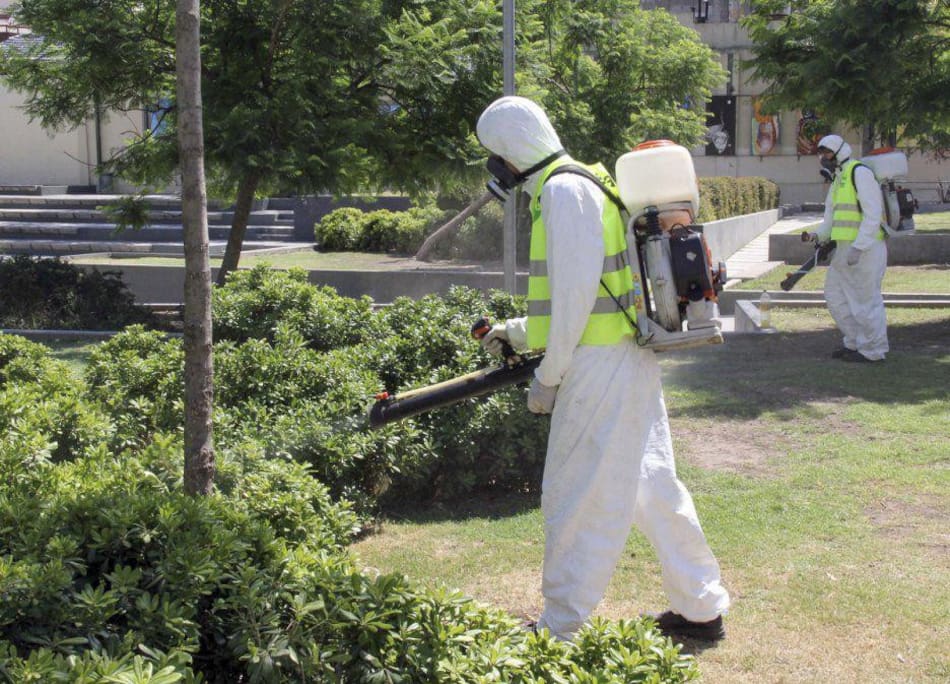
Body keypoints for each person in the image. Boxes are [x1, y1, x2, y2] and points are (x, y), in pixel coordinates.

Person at [475, 95, 730, 643]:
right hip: (626, 357)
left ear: (509, 152)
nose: (495, 167)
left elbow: (572, 300)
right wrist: (519, 332)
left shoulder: (563, 192)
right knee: (653, 486)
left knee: (574, 496)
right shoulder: (587, 181)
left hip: (598, 368)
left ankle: (559, 628)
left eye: (493, 154)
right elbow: (592, 292)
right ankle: (702, 606)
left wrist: (548, 379)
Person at [807, 134, 888, 363]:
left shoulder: (859, 173)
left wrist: (859, 247)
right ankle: (855, 342)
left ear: (841, 151)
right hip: (844, 250)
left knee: (865, 300)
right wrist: (817, 235)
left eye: (827, 152)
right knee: (835, 296)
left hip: (866, 250)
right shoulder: (838, 178)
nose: (824, 157)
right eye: (821, 153)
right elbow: (831, 218)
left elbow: (873, 215)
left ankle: (873, 350)